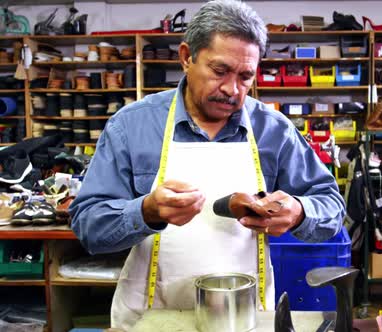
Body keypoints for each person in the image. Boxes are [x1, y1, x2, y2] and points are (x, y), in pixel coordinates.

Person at [69, 0, 345, 329]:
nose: (232, 89)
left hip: (242, 317)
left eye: (245, 77)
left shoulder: (274, 130)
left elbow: (332, 206)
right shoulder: (131, 126)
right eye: (219, 71)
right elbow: (88, 226)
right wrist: (146, 212)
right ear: (187, 57)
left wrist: (299, 211)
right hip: (150, 318)